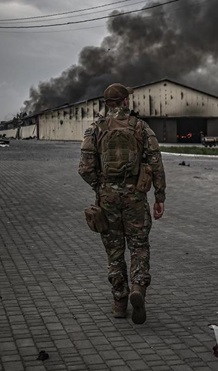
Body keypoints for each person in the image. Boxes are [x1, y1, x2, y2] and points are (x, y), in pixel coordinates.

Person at [78, 83, 166, 324]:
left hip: (107, 198)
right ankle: (138, 287)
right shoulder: (140, 127)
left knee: (114, 251)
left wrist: (101, 186)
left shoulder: (95, 128)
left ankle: (119, 301)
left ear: (107, 104)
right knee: (139, 245)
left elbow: (84, 168)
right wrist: (160, 197)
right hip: (135, 196)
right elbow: (156, 164)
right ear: (126, 101)